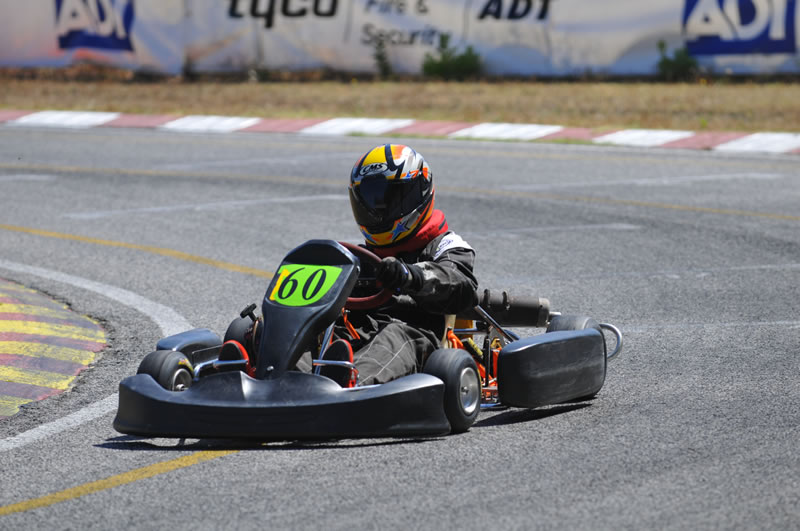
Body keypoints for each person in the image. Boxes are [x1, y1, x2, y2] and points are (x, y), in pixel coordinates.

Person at [320, 144, 479, 386]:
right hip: (362, 331)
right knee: (318, 329)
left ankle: (347, 385)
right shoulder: (360, 257)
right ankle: (277, 372)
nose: (377, 209)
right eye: (369, 201)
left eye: (387, 199)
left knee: (394, 337)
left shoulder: (446, 245)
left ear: (418, 193)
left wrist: (411, 276)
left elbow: (460, 285)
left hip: (417, 336)